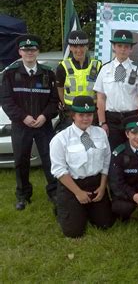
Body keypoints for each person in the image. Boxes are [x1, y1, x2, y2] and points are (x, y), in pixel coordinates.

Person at [0, 34, 58, 210]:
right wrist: (23, 117)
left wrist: (43, 116)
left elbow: (55, 101)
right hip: (21, 125)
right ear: (20, 52)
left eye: (32, 49)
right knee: (21, 161)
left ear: (38, 51)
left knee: (50, 160)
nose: (29, 53)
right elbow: (6, 101)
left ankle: (54, 192)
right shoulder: (10, 74)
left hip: (43, 125)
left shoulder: (48, 73)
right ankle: (23, 195)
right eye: (25, 50)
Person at [50, 96, 114, 238]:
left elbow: (106, 161)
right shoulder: (60, 139)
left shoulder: (101, 133)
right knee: (74, 232)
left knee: (105, 224)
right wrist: (78, 192)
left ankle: (85, 209)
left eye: (89, 115)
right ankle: (63, 206)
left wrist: (103, 187)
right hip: (72, 185)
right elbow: (59, 170)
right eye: (81, 115)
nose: (86, 119)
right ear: (73, 115)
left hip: (96, 183)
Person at [94, 29, 138, 150]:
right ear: (114, 47)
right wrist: (102, 122)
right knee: (113, 153)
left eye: (126, 46)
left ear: (131, 49)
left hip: (132, 117)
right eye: (119, 46)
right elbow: (100, 97)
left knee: (132, 151)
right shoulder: (105, 69)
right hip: (112, 119)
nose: (123, 49)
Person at [56, 30, 101, 130]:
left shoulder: (97, 65)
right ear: (70, 48)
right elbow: (60, 89)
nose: (79, 50)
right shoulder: (62, 67)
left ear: (87, 47)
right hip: (71, 113)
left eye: (81, 46)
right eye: (75, 46)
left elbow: (100, 92)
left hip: (91, 113)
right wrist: (66, 105)